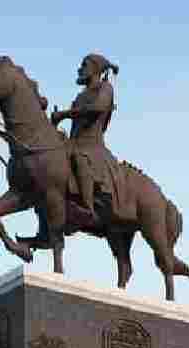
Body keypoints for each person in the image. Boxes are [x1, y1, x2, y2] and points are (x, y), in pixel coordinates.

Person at [51, 53, 121, 224]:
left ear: (96, 69)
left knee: (79, 158)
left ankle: (88, 209)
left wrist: (65, 114)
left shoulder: (105, 88)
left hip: (92, 147)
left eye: (84, 65)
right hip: (74, 142)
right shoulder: (81, 95)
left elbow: (98, 107)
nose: (80, 69)